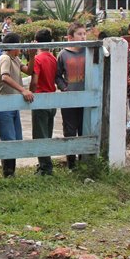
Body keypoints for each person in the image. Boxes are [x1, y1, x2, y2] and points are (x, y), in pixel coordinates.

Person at [0, 32, 33, 177]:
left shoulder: (15, 59)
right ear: (13, 46)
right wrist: (23, 90)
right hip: (4, 104)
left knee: (16, 138)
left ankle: (11, 172)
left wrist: (32, 55)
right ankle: (8, 173)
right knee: (9, 139)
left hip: (13, 105)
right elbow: (5, 77)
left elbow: (29, 70)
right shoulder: (5, 58)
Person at [56, 23, 87, 170]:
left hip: (86, 98)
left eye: (84, 33)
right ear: (70, 37)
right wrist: (64, 88)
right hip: (69, 98)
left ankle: (83, 161)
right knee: (69, 130)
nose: (83, 36)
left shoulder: (89, 51)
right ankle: (71, 164)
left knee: (84, 129)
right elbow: (57, 76)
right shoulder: (63, 54)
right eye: (79, 34)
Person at [30, 28, 58, 175]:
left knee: (40, 135)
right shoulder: (53, 58)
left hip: (40, 98)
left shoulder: (38, 59)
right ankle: (44, 164)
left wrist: (30, 92)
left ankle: (45, 167)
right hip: (52, 98)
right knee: (47, 133)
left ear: (35, 42)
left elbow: (34, 81)